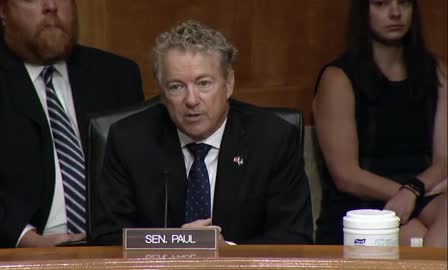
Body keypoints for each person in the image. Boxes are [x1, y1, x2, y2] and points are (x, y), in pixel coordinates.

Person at [91, 20, 313, 245]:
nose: (191, 100)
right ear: (162, 92)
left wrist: (227, 256)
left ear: (228, 84)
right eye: (176, 86)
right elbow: (107, 239)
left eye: (204, 83)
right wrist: (175, 244)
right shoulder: (130, 141)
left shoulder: (273, 139)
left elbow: (294, 237)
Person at [0, 0, 144, 249]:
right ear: (3, 11)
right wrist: (25, 238)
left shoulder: (117, 75)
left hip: (110, 248)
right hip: (11, 250)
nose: (51, 6)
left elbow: (144, 172)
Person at [313, 0, 446, 247]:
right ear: (363, 11)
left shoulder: (436, 70)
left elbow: (444, 158)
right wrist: (407, 193)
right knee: (416, 238)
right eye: (381, 4)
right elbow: (346, 175)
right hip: (360, 205)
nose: (395, 13)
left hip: (421, 191)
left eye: (403, 3)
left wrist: (413, 191)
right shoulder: (338, 77)